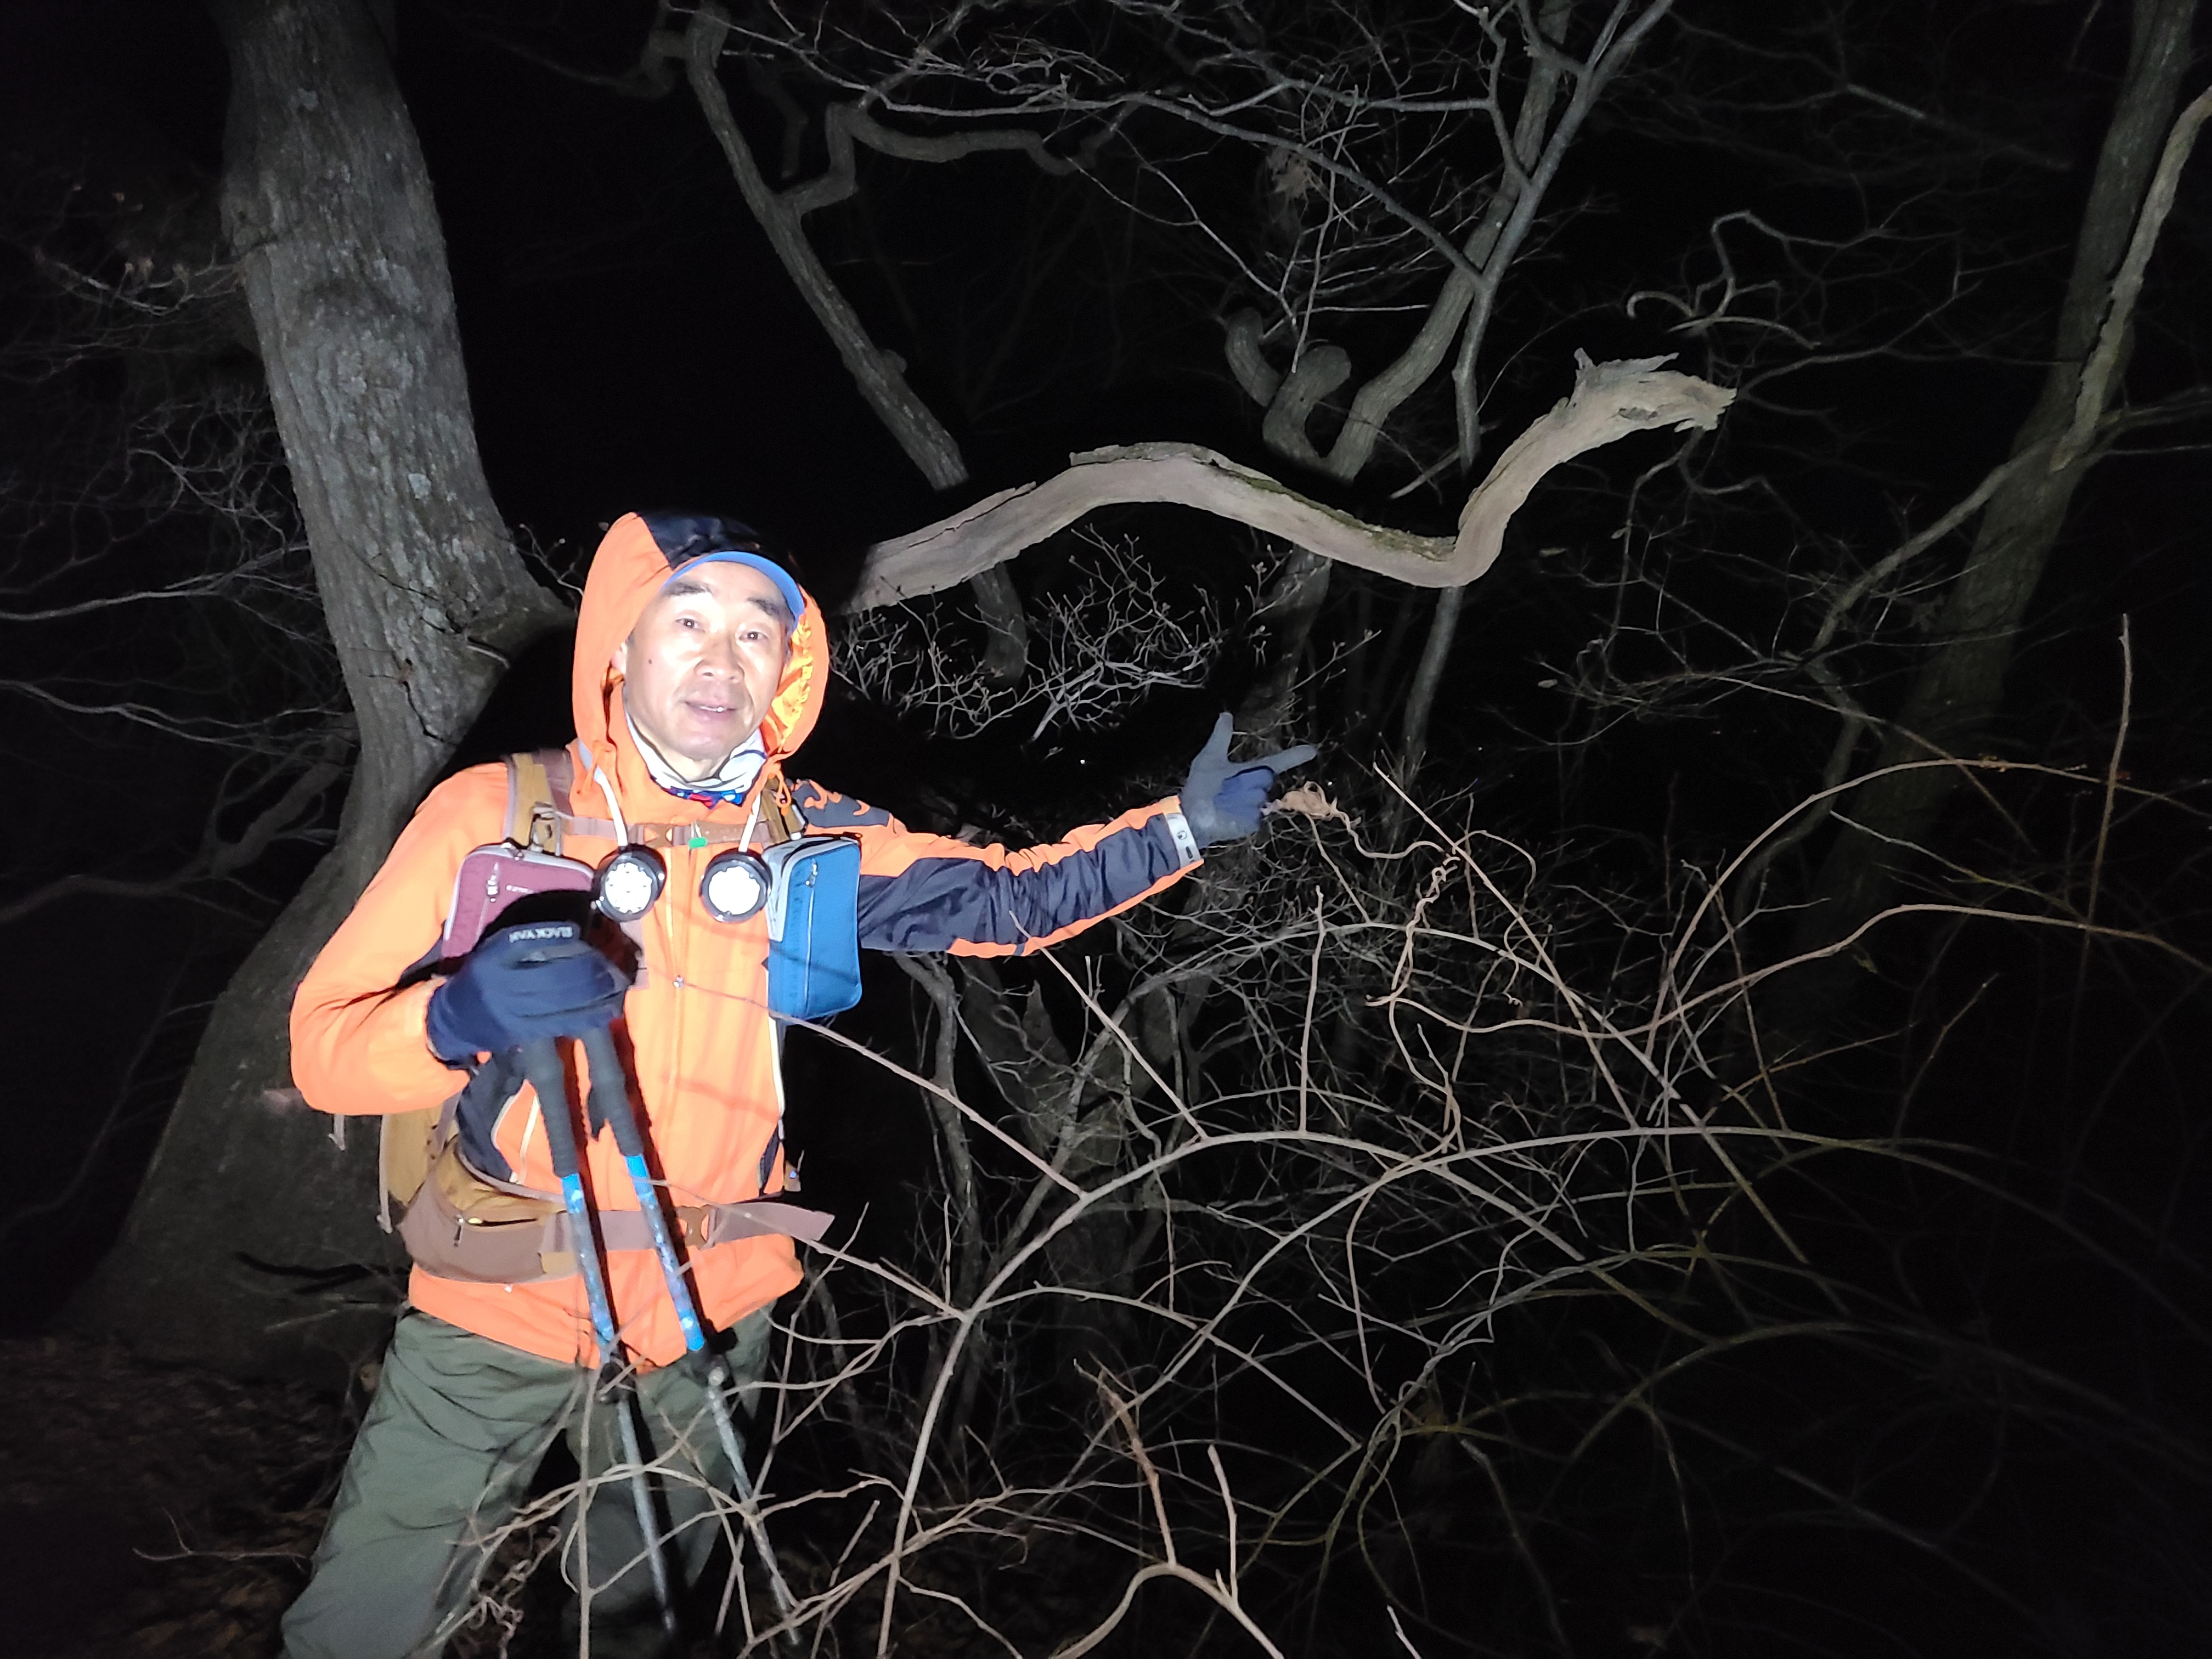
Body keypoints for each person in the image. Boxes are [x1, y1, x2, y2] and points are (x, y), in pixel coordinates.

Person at [280, 510, 1314, 1658]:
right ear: (622, 644)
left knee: (637, 1633)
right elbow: (323, 1052)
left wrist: (1180, 830)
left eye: (756, 633)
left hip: (711, 1312)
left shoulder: (811, 841)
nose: (722, 658)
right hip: (495, 1299)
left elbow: (1009, 901)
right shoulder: (496, 817)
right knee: (359, 1633)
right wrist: (455, 1015)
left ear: (789, 668)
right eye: (688, 620)